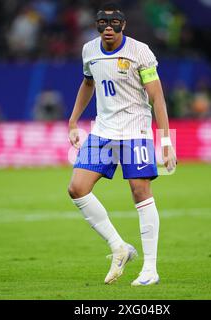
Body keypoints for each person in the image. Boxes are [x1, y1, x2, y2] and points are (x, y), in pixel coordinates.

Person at [67, 2, 177, 286]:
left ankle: (150, 269)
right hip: (103, 130)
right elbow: (88, 83)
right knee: (77, 188)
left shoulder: (140, 51)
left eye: (113, 24)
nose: (108, 29)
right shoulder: (89, 50)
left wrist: (166, 140)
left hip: (135, 130)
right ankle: (119, 247)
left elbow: (158, 98)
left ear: (123, 26)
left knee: (140, 191)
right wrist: (73, 120)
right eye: (102, 24)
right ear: (97, 26)